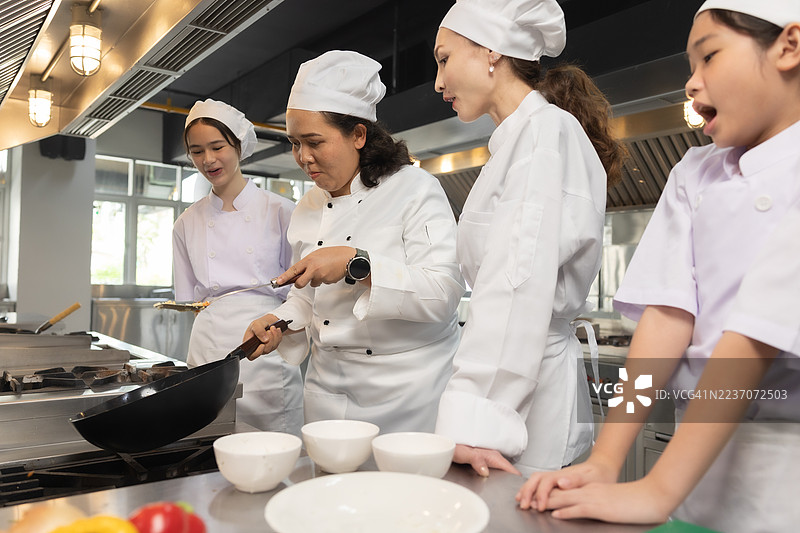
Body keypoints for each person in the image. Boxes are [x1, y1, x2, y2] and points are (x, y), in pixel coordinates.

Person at [517, 2, 800, 531]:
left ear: (790, 46)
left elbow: (754, 337)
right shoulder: (695, 172)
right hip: (699, 475)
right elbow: (668, 318)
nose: (691, 83)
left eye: (709, 56)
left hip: (787, 471)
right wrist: (606, 461)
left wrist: (657, 489)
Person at [431, 0, 627, 477]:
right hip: (520, 386)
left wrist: (474, 424)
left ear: (490, 51)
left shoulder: (544, 133)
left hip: (525, 398)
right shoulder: (519, 140)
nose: (437, 83)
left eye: (443, 59)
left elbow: (514, 285)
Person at [244, 51, 465, 433]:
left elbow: (443, 293)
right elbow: (307, 299)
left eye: (314, 141)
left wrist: (355, 262)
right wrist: (279, 322)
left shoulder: (415, 190)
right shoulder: (309, 205)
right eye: (295, 143)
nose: (303, 157)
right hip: (328, 389)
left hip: (410, 392)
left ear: (359, 135)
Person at [173, 99, 303, 434]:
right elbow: (191, 300)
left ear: (239, 145)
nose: (208, 160)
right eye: (197, 151)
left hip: (265, 346)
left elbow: (300, 298)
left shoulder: (282, 212)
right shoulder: (187, 222)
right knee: (208, 445)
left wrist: (280, 331)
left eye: (217, 147)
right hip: (209, 348)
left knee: (272, 447)